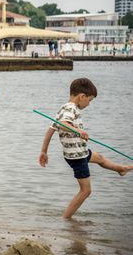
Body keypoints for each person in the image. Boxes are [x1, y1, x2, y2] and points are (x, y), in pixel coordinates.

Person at [39, 78, 133, 219]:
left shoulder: (64, 108)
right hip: (77, 156)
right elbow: (64, 124)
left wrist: (43, 151)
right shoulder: (70, 109)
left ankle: (121, 169)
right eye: (90, 100)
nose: (89, 104)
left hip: (79, 151)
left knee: (100, 158)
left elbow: (50, 130)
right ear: (82, 96)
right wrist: (79, 131)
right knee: (86, 191)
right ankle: (66, 218)